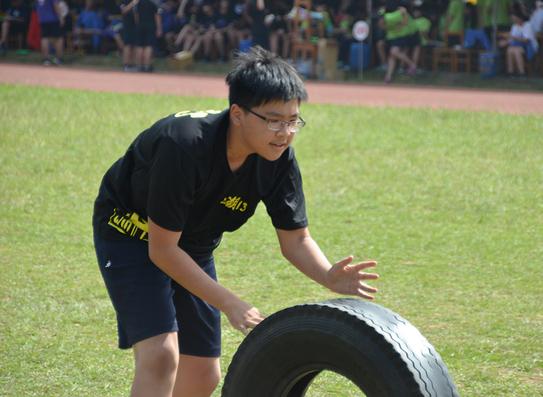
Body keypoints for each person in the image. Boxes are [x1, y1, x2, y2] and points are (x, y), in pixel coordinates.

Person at [92, 46, 379, 397]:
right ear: (238, 114)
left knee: (202, 374)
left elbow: (296, 240)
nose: (285, 133)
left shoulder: (278, 157)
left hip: (192, 243)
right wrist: (230, 302)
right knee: (160, 356)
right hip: (131, 234)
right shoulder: (183, 145)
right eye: (274, 120)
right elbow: (162, 250)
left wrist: (327, 276)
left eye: (293, 121)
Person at [382, 0, 420, 83]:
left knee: (393, 52)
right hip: (394, 36)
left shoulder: (397, 13)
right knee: (392, 56)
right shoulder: (399, 11)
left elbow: (404, 23)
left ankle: (412, 65)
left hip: (403, 35)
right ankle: (388, 77)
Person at [499, 10, 538, 78]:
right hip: (517, 45)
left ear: (520, 18)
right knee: (510, 50)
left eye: (515, 19)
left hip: (529, 47)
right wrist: (505, 42)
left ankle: (521, 72)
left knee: (517, 51)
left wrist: (512, 37)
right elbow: (511, 39)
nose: (514, 21)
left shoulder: (528, 25)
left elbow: (526, 40)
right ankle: (510, 71)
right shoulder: (515, 27)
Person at [134, 0, 162, 71]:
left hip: (140, 25)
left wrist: (137, 24)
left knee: (140, 45)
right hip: (150, 25)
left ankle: (140, 65)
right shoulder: (153, 3)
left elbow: (136, 15)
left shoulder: (138, 3)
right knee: (148, 45)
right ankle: (147, 65)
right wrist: (159, 28)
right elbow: (157, 16)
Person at [35, 0, 66, 65]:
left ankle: (46, 59)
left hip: (42, 19)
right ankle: (59, 58)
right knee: (59, 37)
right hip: (53, 18)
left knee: (45, 38)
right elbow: (56, 5)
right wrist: (61, 17)